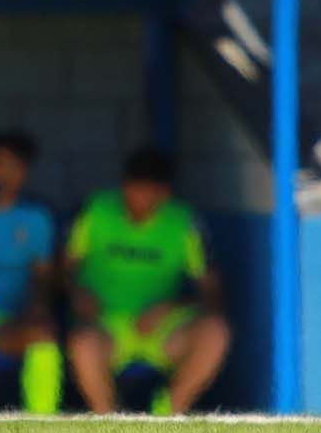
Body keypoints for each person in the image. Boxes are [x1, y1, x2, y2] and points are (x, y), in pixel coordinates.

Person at [65, 147, 230, 416]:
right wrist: (77, 294)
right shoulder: (95, 210)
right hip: (107, 323)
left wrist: (171, 307)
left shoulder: (185, 223)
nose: (139, 198)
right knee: (83, 343)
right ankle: (107, 417)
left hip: (161, 328)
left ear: (164, 193)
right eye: (133, 188)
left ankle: (169, 412)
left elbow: (212, 294)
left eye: (149, 191)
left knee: (215, 331)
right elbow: (65, 269)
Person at [0, 131, 61, 415]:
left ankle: (43, 420)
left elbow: (42, 279)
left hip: (11, 322)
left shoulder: (35, 219)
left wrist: (38, 308)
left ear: (20, 172)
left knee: (42, 335)